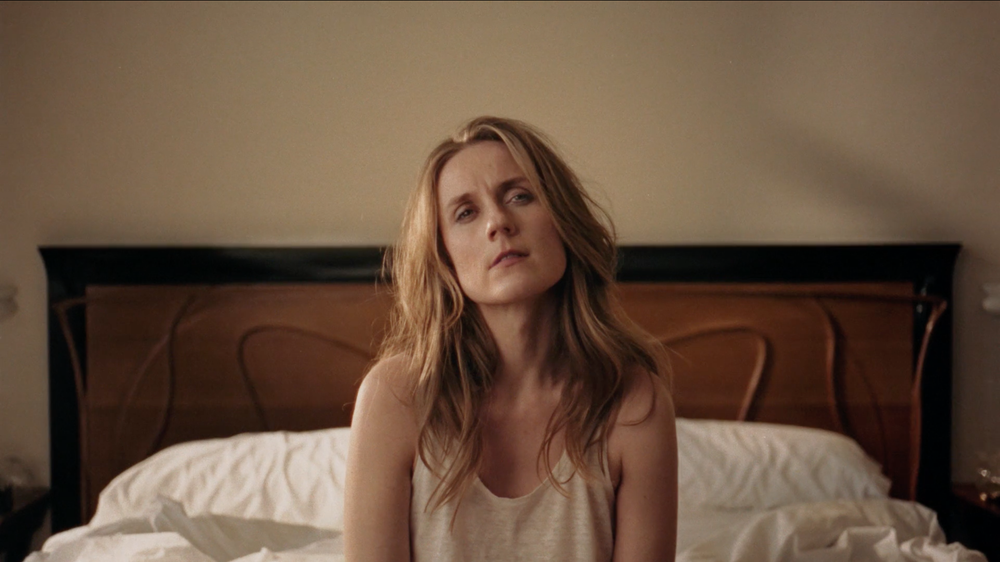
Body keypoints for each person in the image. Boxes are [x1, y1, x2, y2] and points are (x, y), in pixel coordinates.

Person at [344, 116, 677, 561]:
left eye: (519, 196)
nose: (498, 223)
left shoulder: (633, 403)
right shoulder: (396, 397)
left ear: (562, 218)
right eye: (466, 213)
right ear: (445, 257)